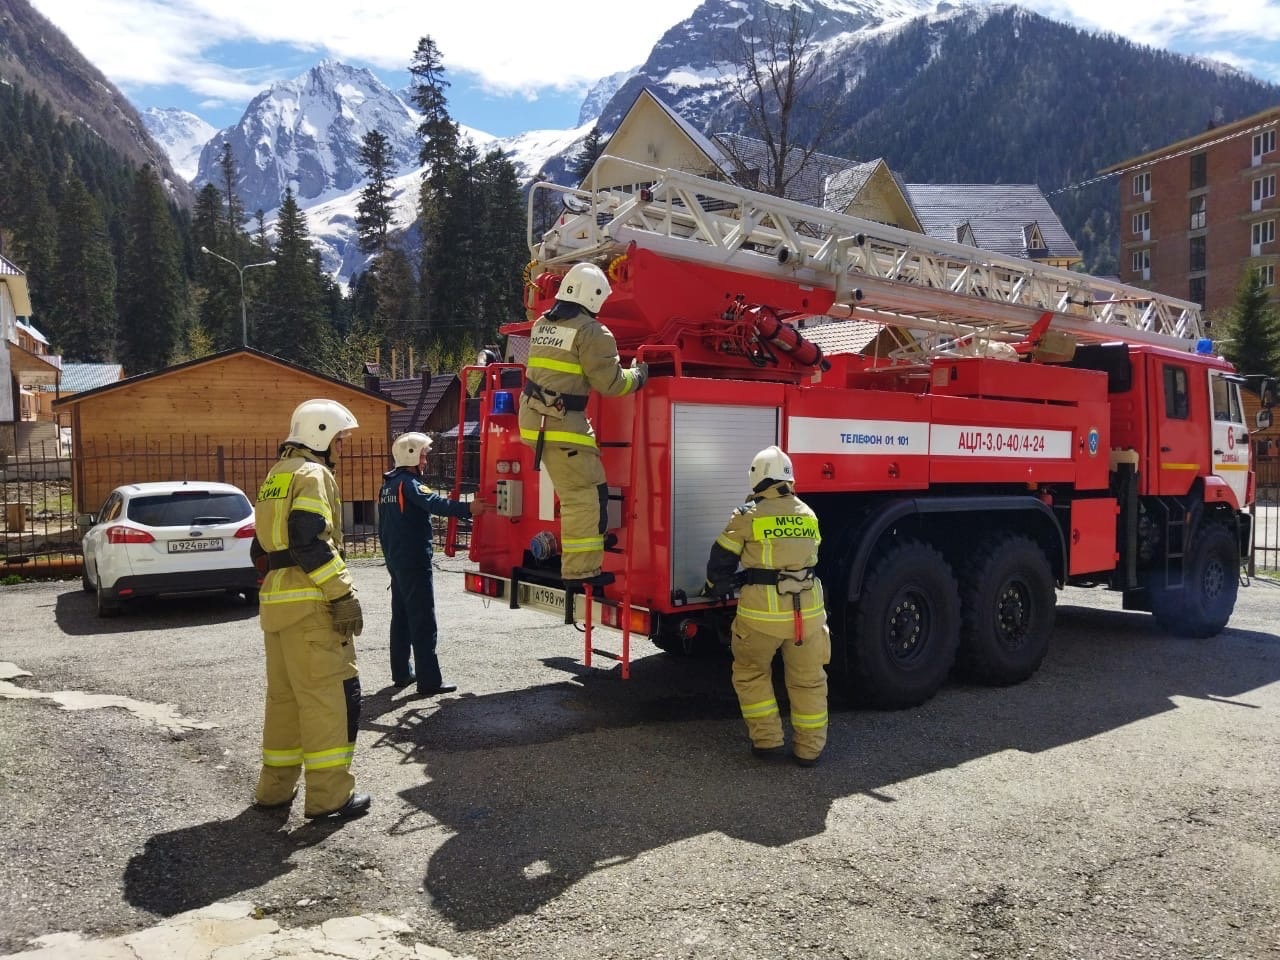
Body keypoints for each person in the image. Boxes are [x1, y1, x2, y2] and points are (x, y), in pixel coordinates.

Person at [249, 398, 369, 819]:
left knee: (284, 701)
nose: (341, 446)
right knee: (327, 700)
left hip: (276, 606)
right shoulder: (314, 474)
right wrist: (341, 593)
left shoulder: (275, 476)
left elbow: (259, 551)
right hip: (310, 606)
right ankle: (329, 797)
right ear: (321, 435)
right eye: (339, 438)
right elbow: (308, 538)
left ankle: (274, 790)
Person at [517, 261, 647, 587]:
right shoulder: (592, 331)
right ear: (595, 297)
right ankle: (580, 571)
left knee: (595, 488)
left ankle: (594, 542)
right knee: (583, 497)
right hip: (561, 425)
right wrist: (640, 375)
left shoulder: (541, 325)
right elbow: (612, 384)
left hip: (537, 420)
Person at [701, 445, 831, 767]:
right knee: (809, 680)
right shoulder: (808, 514)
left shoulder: (748, 516)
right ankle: (809, 750)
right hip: (809, 615)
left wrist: (714, 587)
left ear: (756, 479)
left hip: (762, 617)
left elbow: (721, 560)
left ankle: (768, 742)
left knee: (750, 673)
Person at [378, 432, 488, 695]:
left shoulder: (389, 484)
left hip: (396, 559)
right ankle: (429, 681)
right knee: (423, 620)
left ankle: (402, 674)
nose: (426, 461)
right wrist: (468, 509)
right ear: (412, 455)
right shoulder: (410, 484)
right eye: (424, 455)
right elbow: (435, 503)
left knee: (402, 618)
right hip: (414, 561)